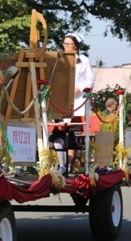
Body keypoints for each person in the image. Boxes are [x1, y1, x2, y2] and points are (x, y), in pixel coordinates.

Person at [49, 32, 95, 174]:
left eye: (69, 44)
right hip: (61, 104)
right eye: (64, 44)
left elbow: (90, 81)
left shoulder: (84, 61)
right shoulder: (59, 60)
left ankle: (69, 165)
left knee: (70, 134)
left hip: (78, 104)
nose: (66, 47)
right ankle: (63, 166)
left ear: (76, 46)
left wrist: (78, 89)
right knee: (59, 133)